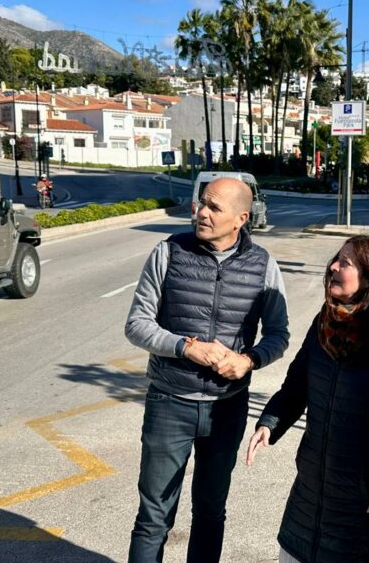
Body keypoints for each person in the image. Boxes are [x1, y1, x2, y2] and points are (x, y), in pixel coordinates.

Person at [124, 177, 290, 562]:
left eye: (214, 207)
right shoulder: (168, 252)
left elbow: (279, 334)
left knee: (211, 513)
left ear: (241, 219)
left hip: (227, 407)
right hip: (170, 402)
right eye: (201, 203)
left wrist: (248, 360)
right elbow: (137, 324)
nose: (202, 212)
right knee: (153, 516)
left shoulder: (262, 264)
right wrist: (185, 348)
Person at [246, 235, 369, 562]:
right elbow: (297, 386)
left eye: (345, 263)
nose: (333, 267)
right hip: (310, 497)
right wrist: (270, 423)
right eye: (336, 259)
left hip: (366, 509)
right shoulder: (324, 324)